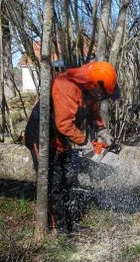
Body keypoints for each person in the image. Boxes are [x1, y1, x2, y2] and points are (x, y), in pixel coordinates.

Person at [24, 61, 120, 231]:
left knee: (66, 179)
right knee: (52, 182)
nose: (101, 97)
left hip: (61, 138)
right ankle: (57, 228)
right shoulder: (66, 86)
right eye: (102, 93)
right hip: (42, 137)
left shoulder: (91, 91)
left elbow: (93, 114)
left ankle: (68, 223)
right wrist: (85, 143)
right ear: (95, 84)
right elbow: (63, 124)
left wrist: (102, 131)